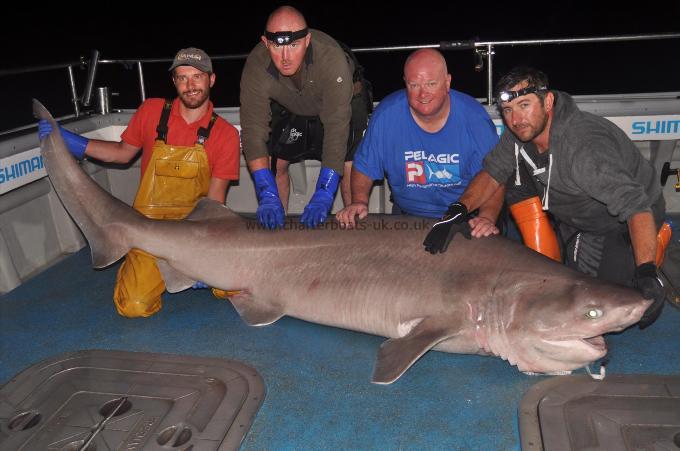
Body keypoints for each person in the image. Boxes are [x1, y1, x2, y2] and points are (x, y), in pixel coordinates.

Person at [422, 66, 667, 327]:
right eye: (508, 110)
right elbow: (492, 173)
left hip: (618, 221)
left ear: (548, 101)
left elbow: (635, 206)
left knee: (601, 301)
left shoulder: (584, 148)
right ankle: (549, 257)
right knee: (514, 171)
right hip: (573, 209)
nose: (516, 120)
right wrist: (457, 210)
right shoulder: (520, 134)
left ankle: (655, 244)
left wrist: (646, 272)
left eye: (524, 105)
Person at [38, 47, 241, 318]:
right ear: (174, 81)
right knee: (133, 306)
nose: (190, 86)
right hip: (148, 227)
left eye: (197, 77)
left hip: (195, 229)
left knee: (239, 286)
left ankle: (193, 272)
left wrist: (205, 254)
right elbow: (122, 154)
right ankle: (144, 264)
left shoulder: (225, 134)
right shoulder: (152, 111)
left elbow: (215, 202)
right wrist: (76, 143)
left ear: (211, 80)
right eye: (182, 78)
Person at [336, 48, 502, 236]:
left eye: (431, 84)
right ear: (405, 83)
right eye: (414, 85)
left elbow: (496, 175)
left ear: (447, 82)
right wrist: (359, 201)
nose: (423, 94)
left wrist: (487, 217)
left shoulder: (474, 118)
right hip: (407, 218)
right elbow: (364, 166)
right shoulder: (387, 115)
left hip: (465, 216)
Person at [240, 5, 371, 229]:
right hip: (293, 102)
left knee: (350, 163)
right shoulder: (256, 65)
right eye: (276, 46)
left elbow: (336, 129)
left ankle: (354, 232)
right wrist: (264, 190)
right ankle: (275, 224)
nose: (285, 57)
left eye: (294, 45)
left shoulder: (331, 60)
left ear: (307, 40)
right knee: (275, 159)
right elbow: (253, 131)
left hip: (341, 103)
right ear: (265, 42)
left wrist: (324, 193)